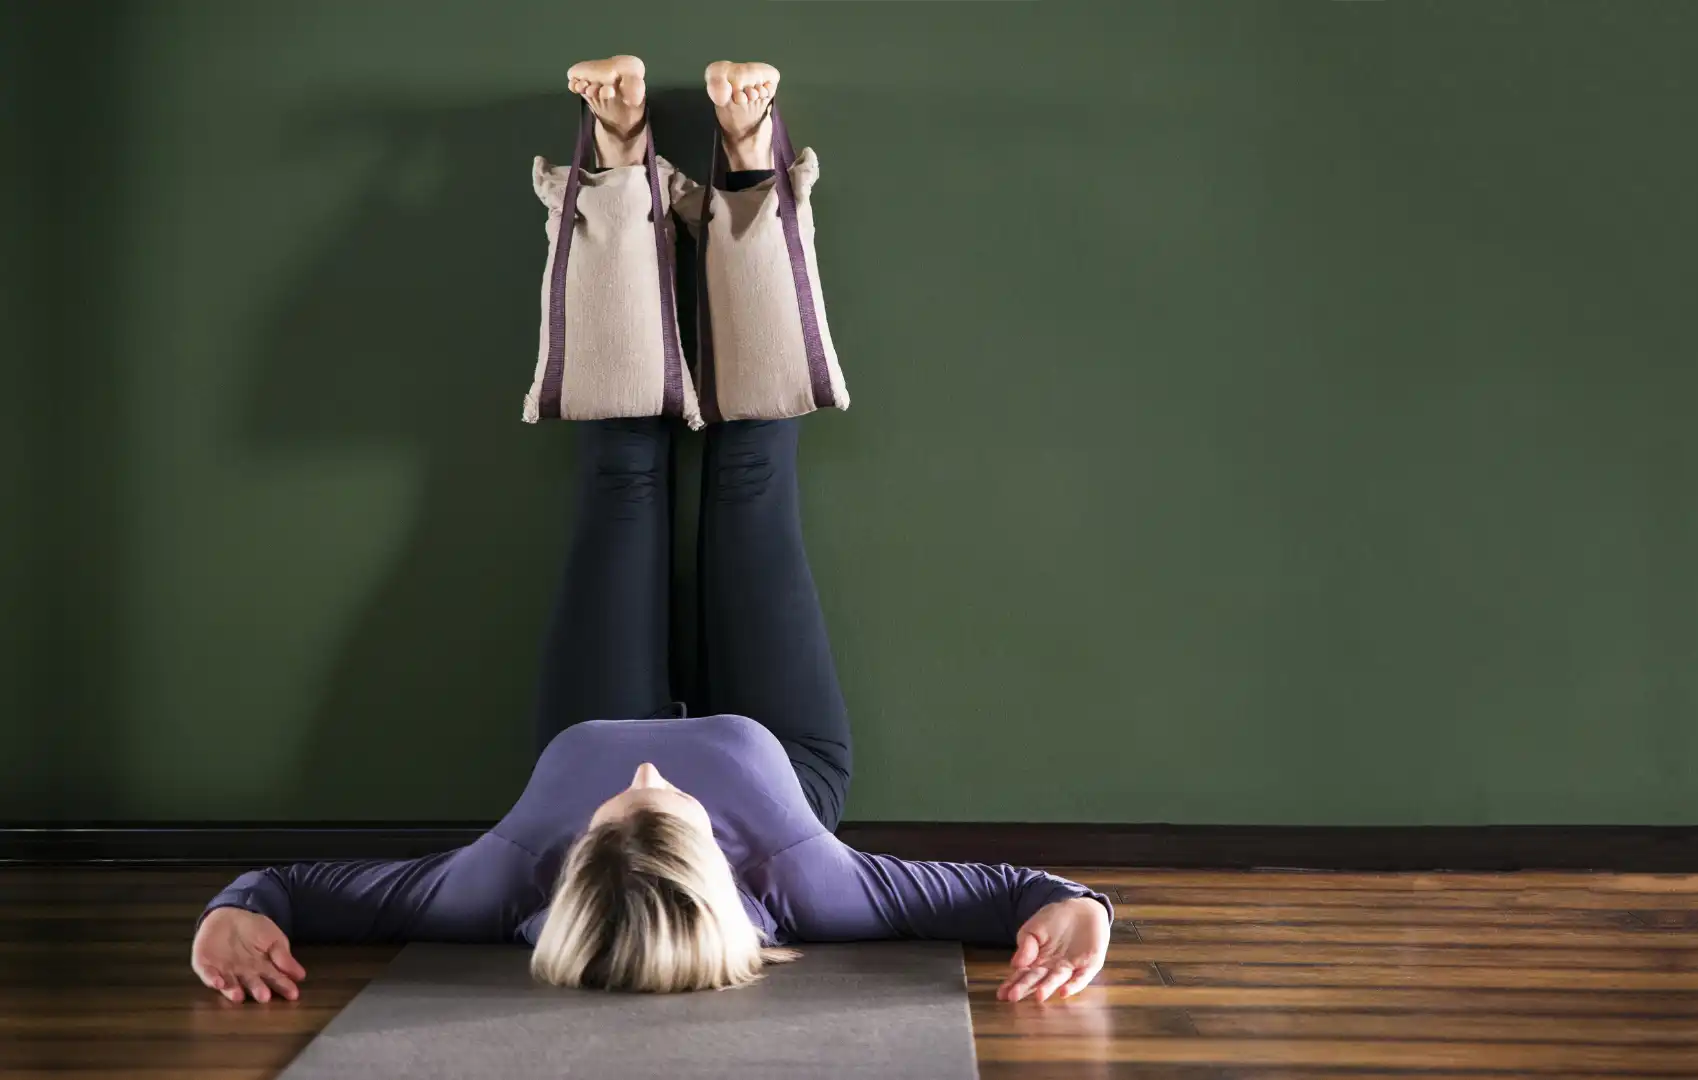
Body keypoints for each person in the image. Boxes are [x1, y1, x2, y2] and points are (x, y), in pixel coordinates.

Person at [189, 56, 1113, 1006]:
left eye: (609, 807)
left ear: (568, 858)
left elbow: (300, 890)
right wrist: (1079, 908)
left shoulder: (498, 879)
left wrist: (233, 912)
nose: (646, 762)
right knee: (751, 479)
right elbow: (1018, 893)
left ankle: (617, 155)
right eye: (661, 797)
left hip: (582, 724)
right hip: (781, 769)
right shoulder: (818, 884)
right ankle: (750, 165)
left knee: (624, 476)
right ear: (725, 863)